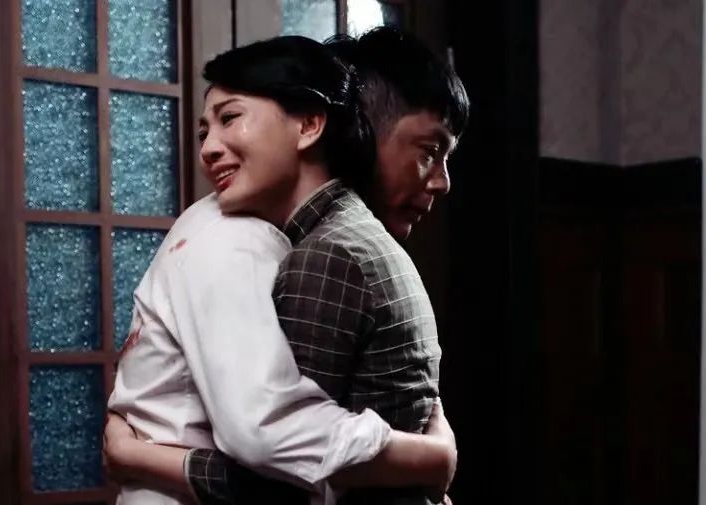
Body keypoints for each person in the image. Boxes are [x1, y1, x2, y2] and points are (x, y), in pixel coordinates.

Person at [104, 35, 459, 505]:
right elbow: (273, 452)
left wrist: (134, 455)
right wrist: (430, 456)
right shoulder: (244, 236)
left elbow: (273, 462)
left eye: (231, 118)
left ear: (311, 124)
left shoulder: (325, 249)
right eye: (205, 131)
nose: (209, 148)